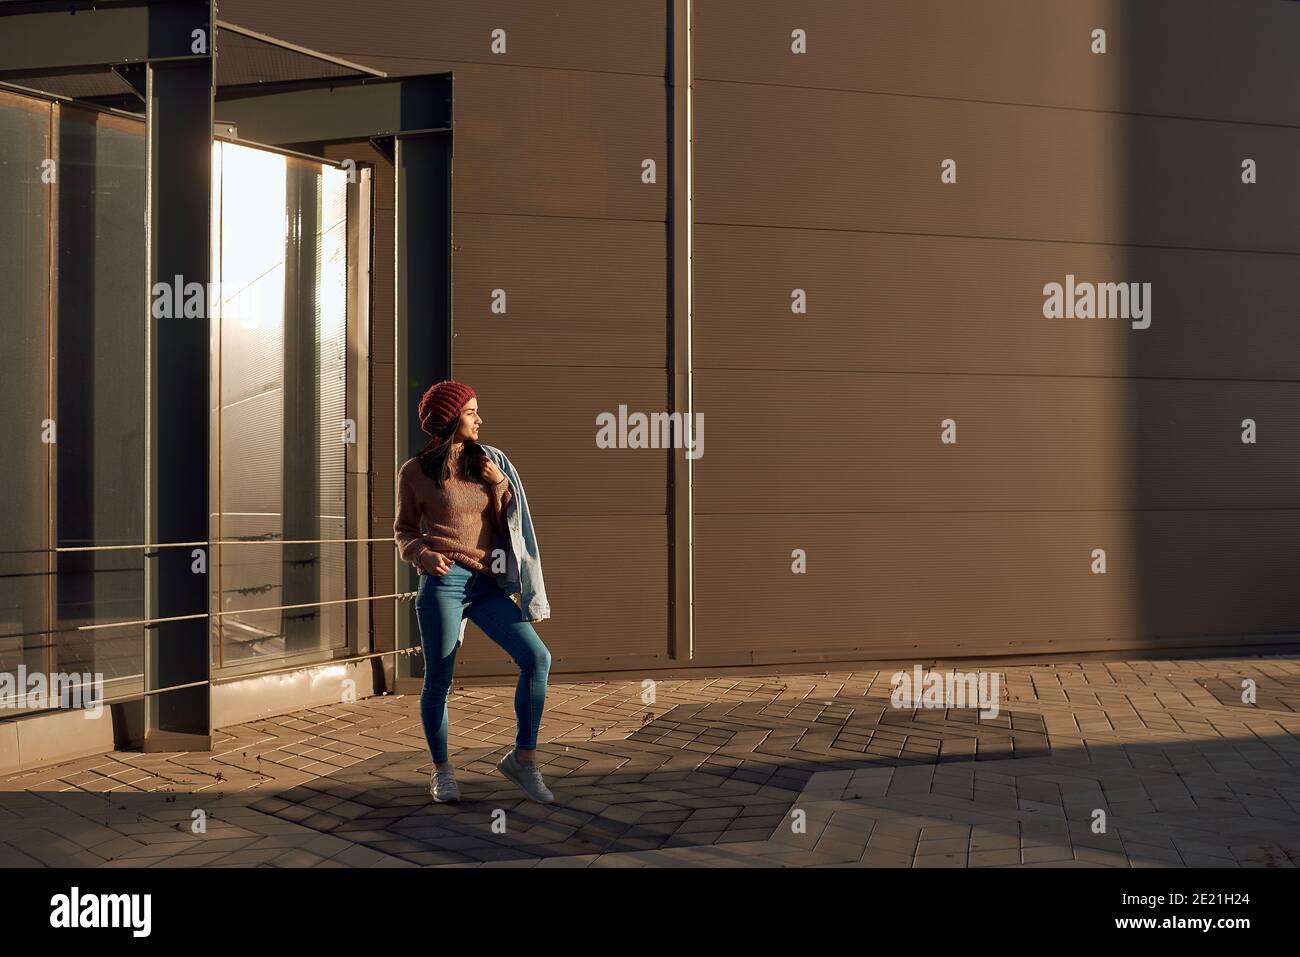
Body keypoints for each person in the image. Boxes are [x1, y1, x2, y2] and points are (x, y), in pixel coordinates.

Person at [394, 379, 554, 804]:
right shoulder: (414, 472)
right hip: (443, 583)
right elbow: (404, 532)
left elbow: (511, 524)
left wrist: (500, 483)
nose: (480, 419)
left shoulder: (491, 460)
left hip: (486, 583)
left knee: (537, 658)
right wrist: (422, 556)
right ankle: (443, 771)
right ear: (449, 420)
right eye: (471, 412)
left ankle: (523, 759)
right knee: (439, 680)